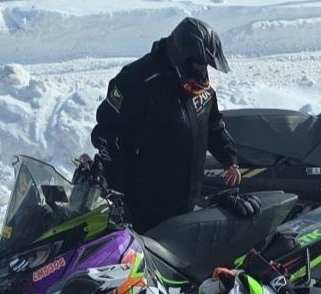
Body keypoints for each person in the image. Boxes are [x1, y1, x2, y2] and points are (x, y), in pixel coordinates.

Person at [90, 17, 243, 232]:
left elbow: (213, 123)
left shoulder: (200, 87)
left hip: (187, 196)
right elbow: (106, 131)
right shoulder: (135, 80)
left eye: (205, 65)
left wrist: (229, 159)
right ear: (183, 56)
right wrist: (115, 181)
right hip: (146, 203)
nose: (203, 71)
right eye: (199, 64)